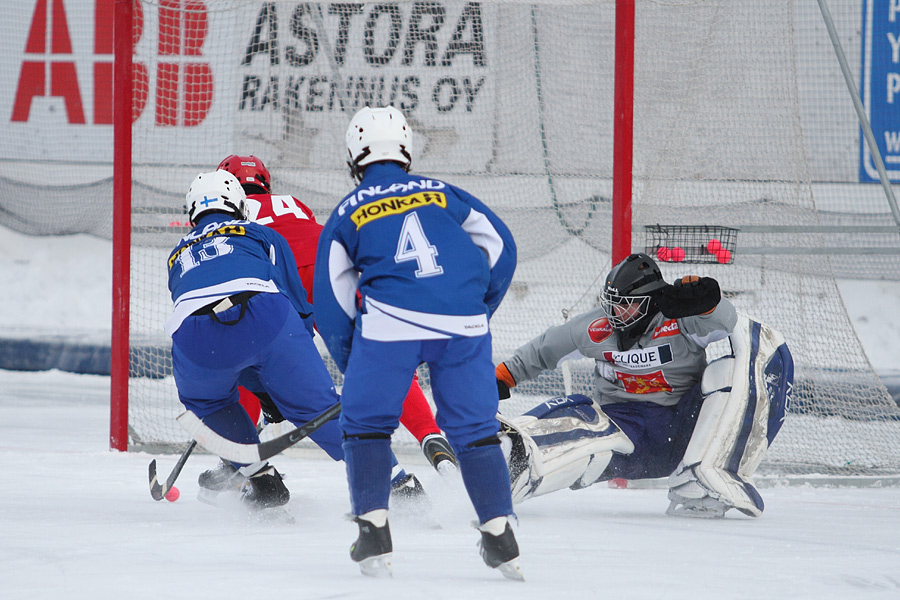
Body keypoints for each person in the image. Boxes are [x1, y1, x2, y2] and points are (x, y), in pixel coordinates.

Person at [314, 106, 522, 579]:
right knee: (474, 429)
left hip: (389, 328)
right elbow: (501, 246)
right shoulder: (444, 193)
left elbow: (332, 295)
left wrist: (354, 358)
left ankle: (373, 533)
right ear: (405, 149)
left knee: (365, 425)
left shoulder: (348, 210)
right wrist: (477, 309)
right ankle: (500, 535)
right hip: (463, 326)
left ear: (355, 157)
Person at [166, 171, 423, 513]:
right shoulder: (259, 232)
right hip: (266, 317)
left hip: (194, 336)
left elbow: (216, 328)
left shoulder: (175, 254)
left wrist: (260, 388)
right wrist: (283, 379)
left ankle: (258, 478)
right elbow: (296, 302)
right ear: (239, 205)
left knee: (209, 402)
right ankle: (397, 481)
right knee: (319, 409)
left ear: (193, 212)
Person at [494, 252, 793, 519]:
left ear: (649, 302)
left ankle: (705, 478)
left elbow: (731, 325)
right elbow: (541, 351)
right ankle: (504, 463)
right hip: (629, 433)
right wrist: (500, 379)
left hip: (684, 428)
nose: (614, 314)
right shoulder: (593, 328)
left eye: (624, 306)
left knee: (726, 371)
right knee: (579, 413)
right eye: (611, 304)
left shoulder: (681, 319)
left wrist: (708, 305)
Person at [214, 154, 458, 476]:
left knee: (246, 356)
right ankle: (431, 436)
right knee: (374, 354)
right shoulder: (293, 202)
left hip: (276, 272)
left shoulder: (227, 216)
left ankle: (239, 461)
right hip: (329, 264)